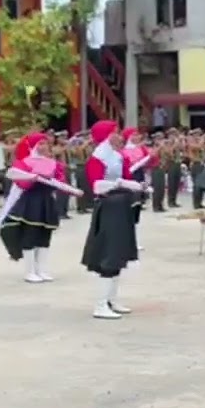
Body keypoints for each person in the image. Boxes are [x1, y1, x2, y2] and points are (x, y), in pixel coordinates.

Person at [81, 121, 145, 320]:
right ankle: (100, 304)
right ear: (107, 136)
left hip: (122, 205)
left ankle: (111, 300)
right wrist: (119, 183)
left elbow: (127, 177)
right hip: (109, 206)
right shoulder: (97, 158)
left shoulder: (117, 156)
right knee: (110, 252)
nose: (120, 136)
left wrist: (137, 185)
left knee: (119, 253)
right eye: (116, 133)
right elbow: (96, 186)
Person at [0, 131, 78, 283]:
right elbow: (21, 183)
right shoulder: (24, 162)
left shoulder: (53, 163)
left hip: (47, 201)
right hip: (30, 202)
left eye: (46, 143)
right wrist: (33, 177)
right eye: (40, 143)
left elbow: (60, 182)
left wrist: (67, 188)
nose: (45, 146)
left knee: (45, 236)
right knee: (30, 235)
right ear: (32, 146)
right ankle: (29, 271)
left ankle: (41, 269)